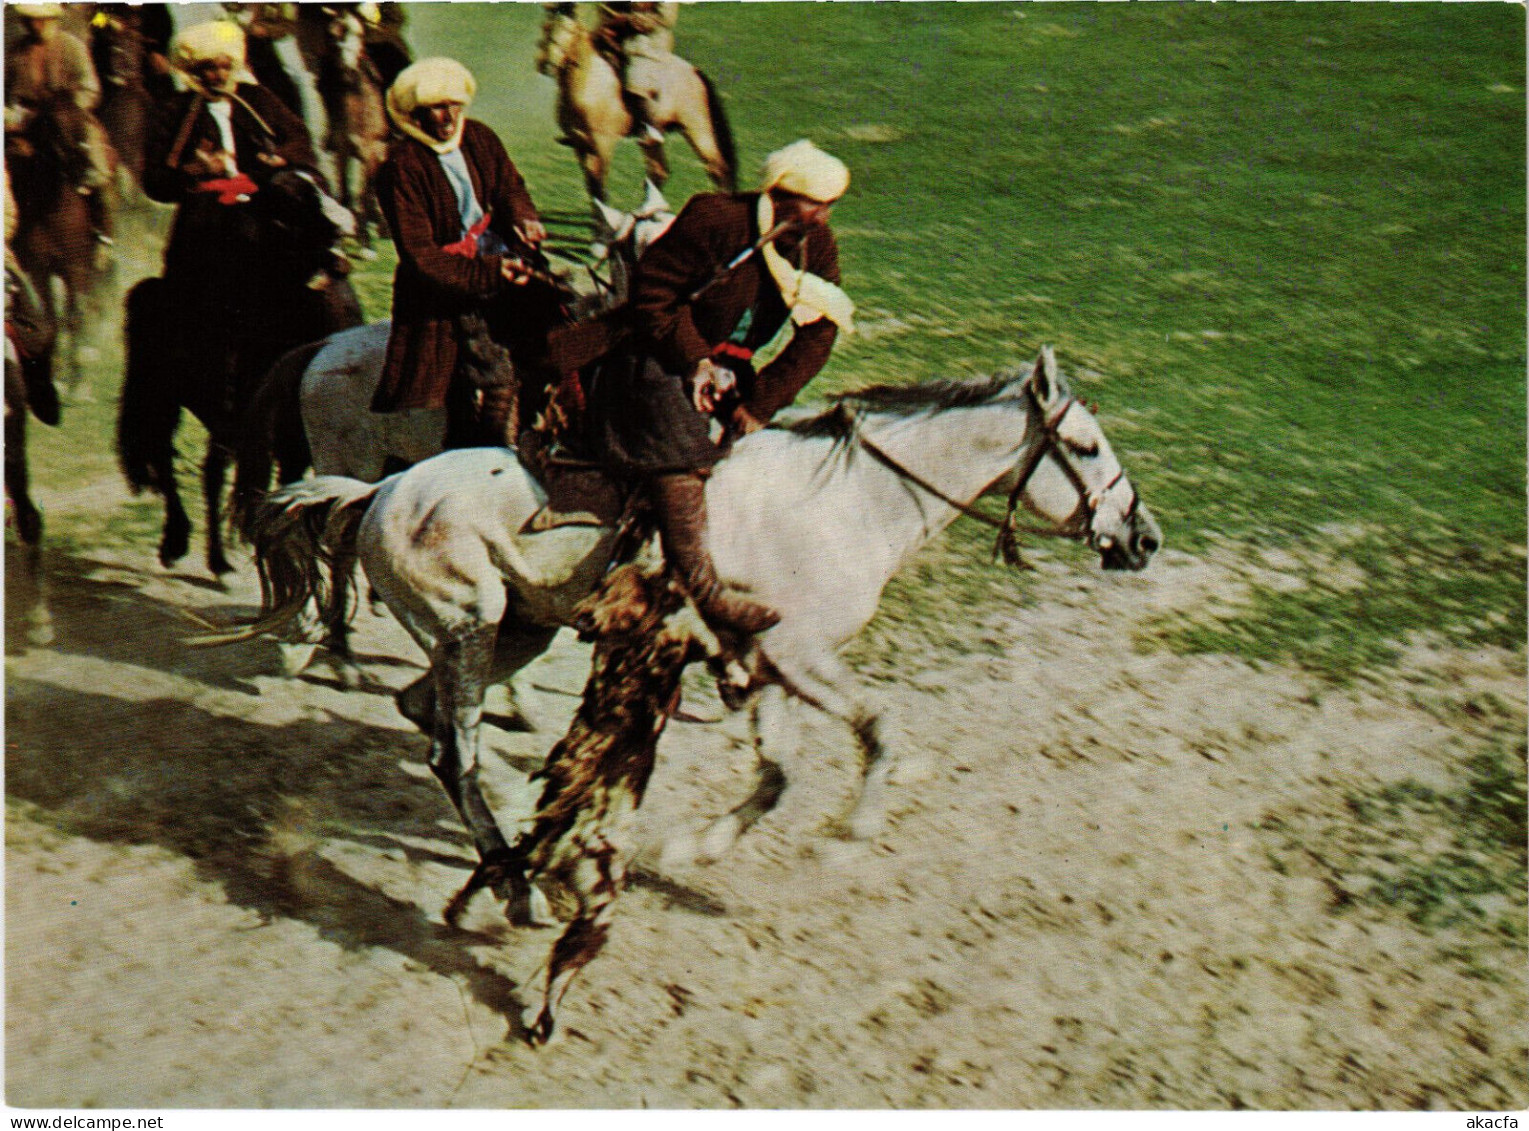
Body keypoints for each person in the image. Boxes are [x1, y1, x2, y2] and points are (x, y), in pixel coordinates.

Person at [586, 139, 855, 637]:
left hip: (737, 373)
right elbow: (654, 295)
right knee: (682, 448)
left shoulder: (817, 244)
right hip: (658, 353)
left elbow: (821, 330)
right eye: (814, 204)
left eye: (829, 206)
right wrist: (695, 362)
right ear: (779, 194)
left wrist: (761, 402)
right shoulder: (715, 219)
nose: (822, 216)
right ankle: (705, 593)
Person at [371, 56, 563, 450]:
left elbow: (510, 187)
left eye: (454, 106)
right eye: (436, 109)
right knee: (495, 372)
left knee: (566, 325)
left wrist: (524, 218)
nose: (447, 117)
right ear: (415, 114)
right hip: (450, 285)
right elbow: (420, 256)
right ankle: (487, 451)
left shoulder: (479, 137)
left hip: (503, 258)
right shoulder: (401, 167)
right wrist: (489, 274)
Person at [142, 18, 323, 289]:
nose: (220, 75)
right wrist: (194, 171)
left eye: (225, 67)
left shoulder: (257, 98)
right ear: (194, 71)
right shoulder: (175, 110)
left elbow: (298, 136)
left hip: (262, 193)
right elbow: (155, 180)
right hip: (205, 211)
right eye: (210, 69)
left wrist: (281, 157)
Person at [4, 3, 116, 263]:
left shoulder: (71, 46)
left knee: (97, 161)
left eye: (43, 20)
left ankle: (104, 233)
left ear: (54, 18)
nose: (37, 25)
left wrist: (67, 108)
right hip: (29, 124)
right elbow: (8, 93)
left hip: (68, 119)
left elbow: (90, 88)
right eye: (31, 20)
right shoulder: (16, 53)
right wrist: (15, 115)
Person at [593, 1, 678, 134]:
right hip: (622, 36)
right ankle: (582, 126)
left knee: (635, 81)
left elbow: (666, 19)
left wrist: (629, 20)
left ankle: (652, 129)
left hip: (649, 42)